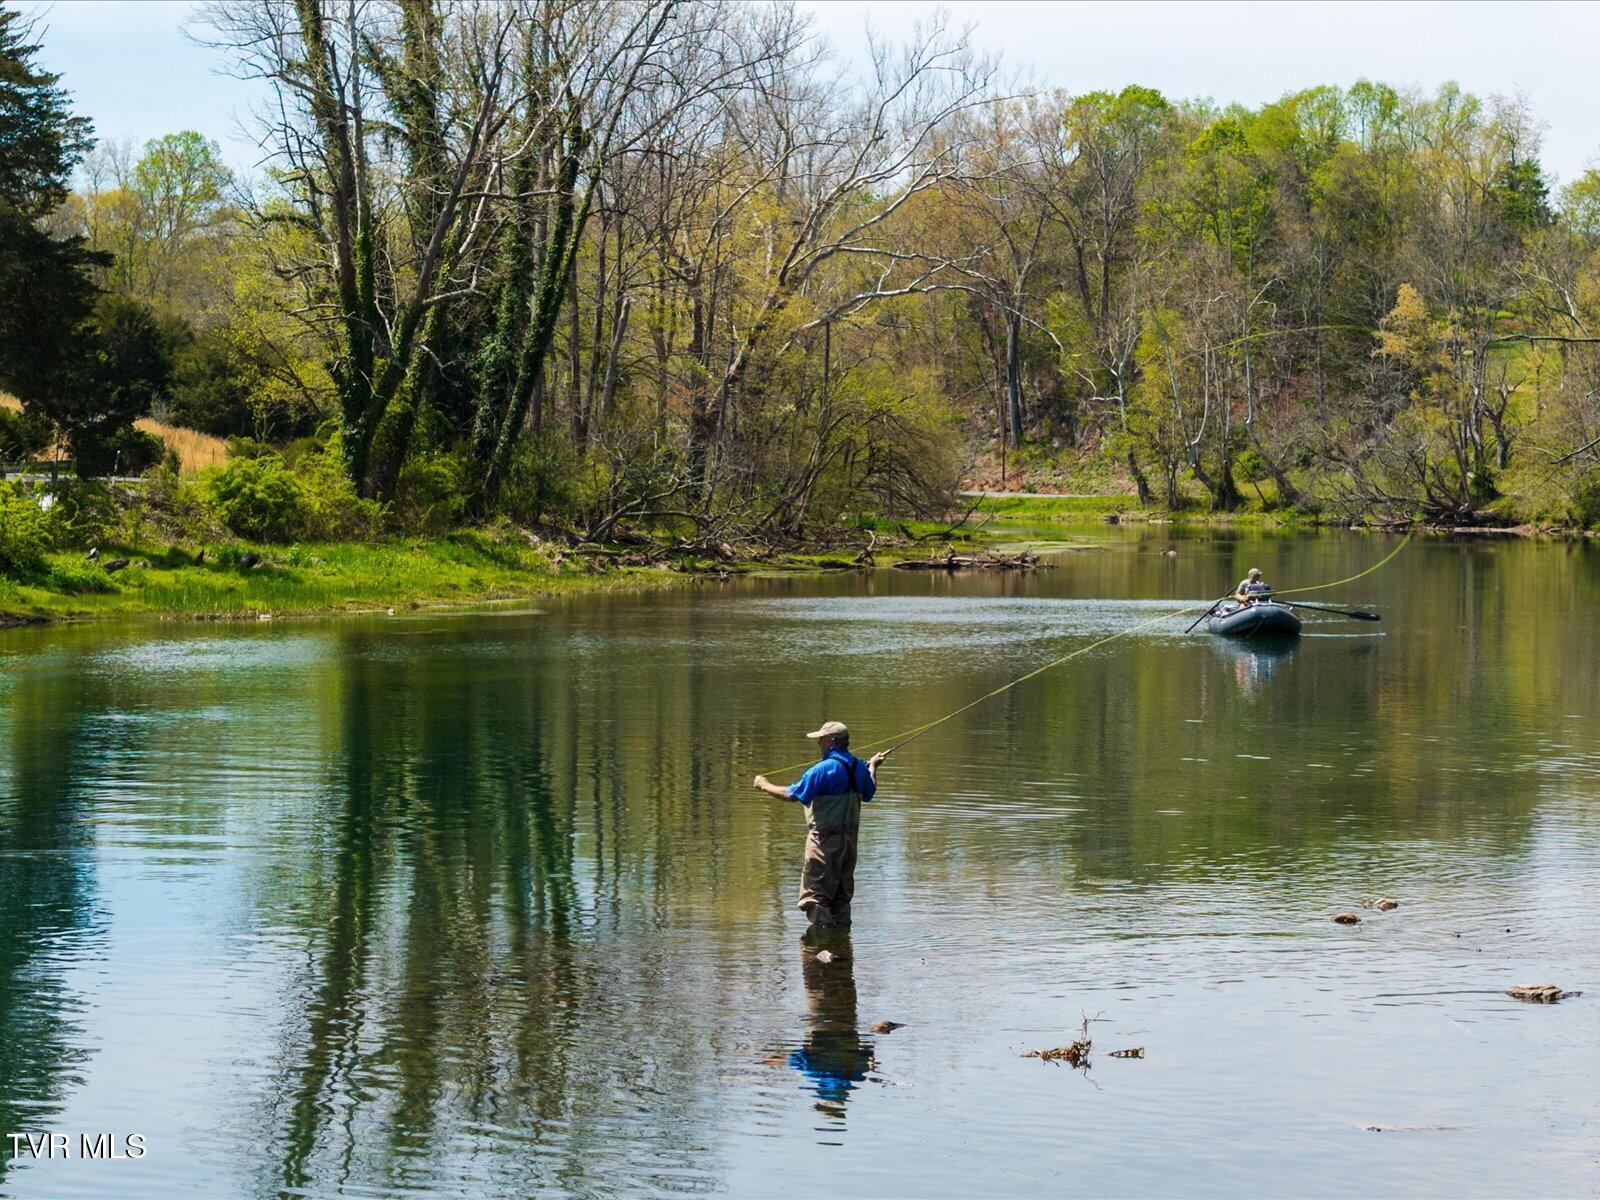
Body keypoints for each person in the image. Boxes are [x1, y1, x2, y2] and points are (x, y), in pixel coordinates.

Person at [753, 721, 885, 928]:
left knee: (813, 897)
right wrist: (873, 768)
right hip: (850, 843)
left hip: (824, 841)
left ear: (831, 743)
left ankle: (823, 943)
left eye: (821, 740)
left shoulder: (822, 770)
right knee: (841, 897)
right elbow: (870, 792)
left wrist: (764, 785)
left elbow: (790, 795)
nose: (819, 744)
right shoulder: (859, 767)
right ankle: (841, 946)